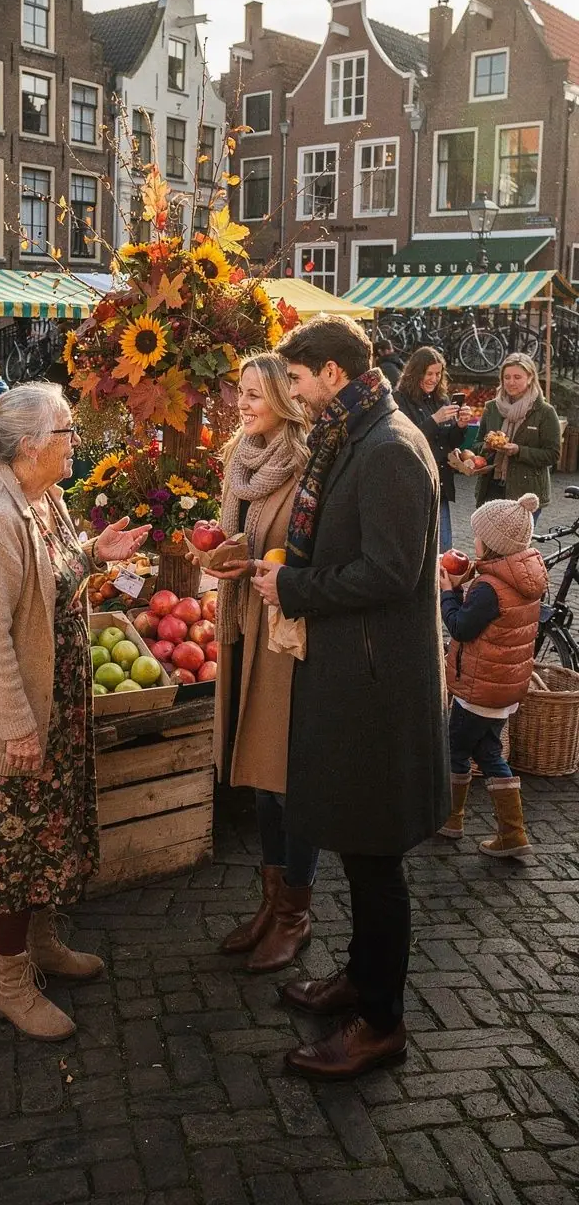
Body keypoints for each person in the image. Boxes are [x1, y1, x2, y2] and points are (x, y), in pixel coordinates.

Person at [252, 314, 448, 1081]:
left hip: (377, 687)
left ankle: (382, 1023)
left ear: (332, 373)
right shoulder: (358, 434)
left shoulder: (390, 447)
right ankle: (360, 983)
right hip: (357, 677)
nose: (292, 393)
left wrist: (294, 587)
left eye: (296, 379)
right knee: (363, 852)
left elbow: (391, 572)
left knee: (376, 861)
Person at [0, 383, 150, 1039]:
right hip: (16, 717)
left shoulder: (44, 496)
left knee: (46, 837)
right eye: (66, 433)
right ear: (30, 445)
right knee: (15, 847)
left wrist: (93, 554)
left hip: (57, 705)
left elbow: (54, 576)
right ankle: (9, 982)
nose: (75, 443)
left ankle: (45, 944)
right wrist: (18, 725)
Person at [210, 353, 315, 972]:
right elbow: (241, 539)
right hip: (245, 622)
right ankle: (271, 902)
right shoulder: (238, 459)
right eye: (240, 393)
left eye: (255, 395)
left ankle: (295, 915)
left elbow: (302, 558)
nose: (243, 405)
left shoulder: (305, 468)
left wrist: (254, 566)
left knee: (283, 775)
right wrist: (224, 557)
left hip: (285, 638)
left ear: (283, 398)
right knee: (258, 771)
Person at [438, 492, 545, 860]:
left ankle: (451, 818)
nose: (475, 541)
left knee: (455, 749)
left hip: (478, 687)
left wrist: (448, 593)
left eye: (479, 535)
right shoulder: (522, 576)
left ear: (492, 543)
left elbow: (461, 627)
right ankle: (513, 834)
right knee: (487, 751)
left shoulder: (489, 588)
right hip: (503, 689)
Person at [394, 346, 470, 552]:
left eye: (438, 374)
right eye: (429, 373)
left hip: (440, 483)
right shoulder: (399, 399)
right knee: (416, 549)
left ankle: (443, 584)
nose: (434, 379)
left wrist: (460, 426)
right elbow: (405, 440)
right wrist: (435, 419)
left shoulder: (441, 400)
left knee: (444, 549)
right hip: (414, 485)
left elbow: (448, 443)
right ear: (416, 372)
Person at [475, 353, 561, 513]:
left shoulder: (544, 412)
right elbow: (476, 445)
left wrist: (519, 451)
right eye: (506, 377)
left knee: (517, 539)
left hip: (526, 492)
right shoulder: (492, 408)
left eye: (517, 377)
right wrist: (487, 446)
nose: (511, 382)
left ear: (530, 378)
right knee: (488, 538)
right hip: (491, 489)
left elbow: (553, 454)